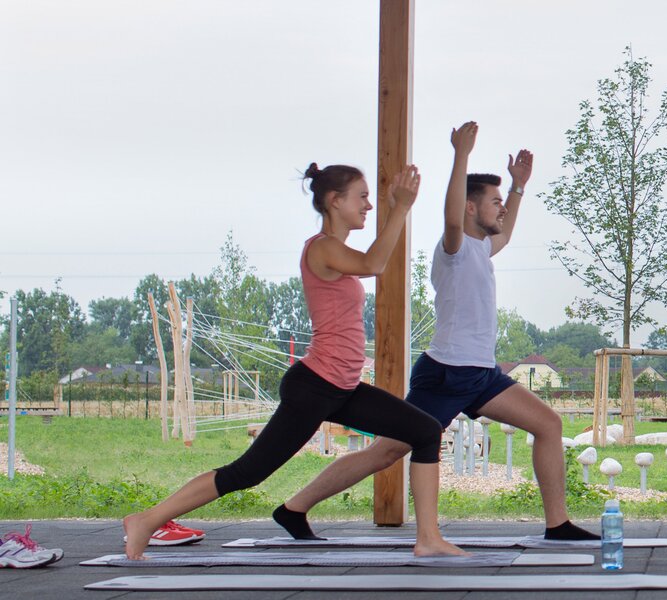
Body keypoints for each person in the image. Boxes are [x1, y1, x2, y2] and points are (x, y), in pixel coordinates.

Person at [273, 122, 597, 541]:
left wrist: (518, 188)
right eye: (494, 202)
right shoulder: (455, 248)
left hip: (481, 374)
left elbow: (508, 230)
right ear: (468, 208)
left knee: (547, 424)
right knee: (388, 451)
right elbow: (450, 217)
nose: (500, 209)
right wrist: (460, 154)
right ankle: (294, 507)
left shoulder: (483, 247)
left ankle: (558, 524)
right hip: (445, 374)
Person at [122, 163, 463, 559]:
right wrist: (401, 207)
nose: (369, 205)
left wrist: (396, 208)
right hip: (315, 388)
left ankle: (427, 538)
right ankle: (146, 520)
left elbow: (369, 260)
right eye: (363, 197)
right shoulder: (322, 247)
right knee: (246, 473)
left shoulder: (336, 249)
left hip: (342, 387)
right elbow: (374, 264)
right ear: (335, 201)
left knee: (423, 430)